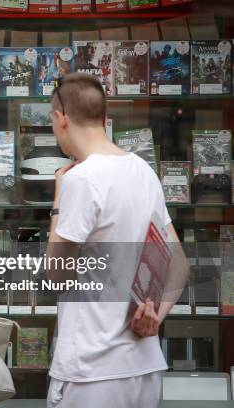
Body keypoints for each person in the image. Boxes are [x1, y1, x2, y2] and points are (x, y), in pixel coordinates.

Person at [45, 73, 188, 408]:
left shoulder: (80, 180)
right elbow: (179, 266)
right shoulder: (143, 171)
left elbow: (56, 274)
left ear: (60, 118)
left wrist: (57, 203)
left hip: (92, 370)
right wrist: (153, 318)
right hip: (143, 366)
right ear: (104, 118)